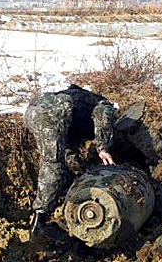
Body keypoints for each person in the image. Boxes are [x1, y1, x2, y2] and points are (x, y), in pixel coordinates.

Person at [25, 84, 115, 242]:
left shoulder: (79, 107)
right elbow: (104, 115)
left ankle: (52, 203)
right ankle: (39, 223)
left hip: (35, 109)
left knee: (60, 160)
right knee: (53, 165)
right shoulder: (103, 104)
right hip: (51, 114)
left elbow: (69, 153)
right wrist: (103, 147)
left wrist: (83, 171)